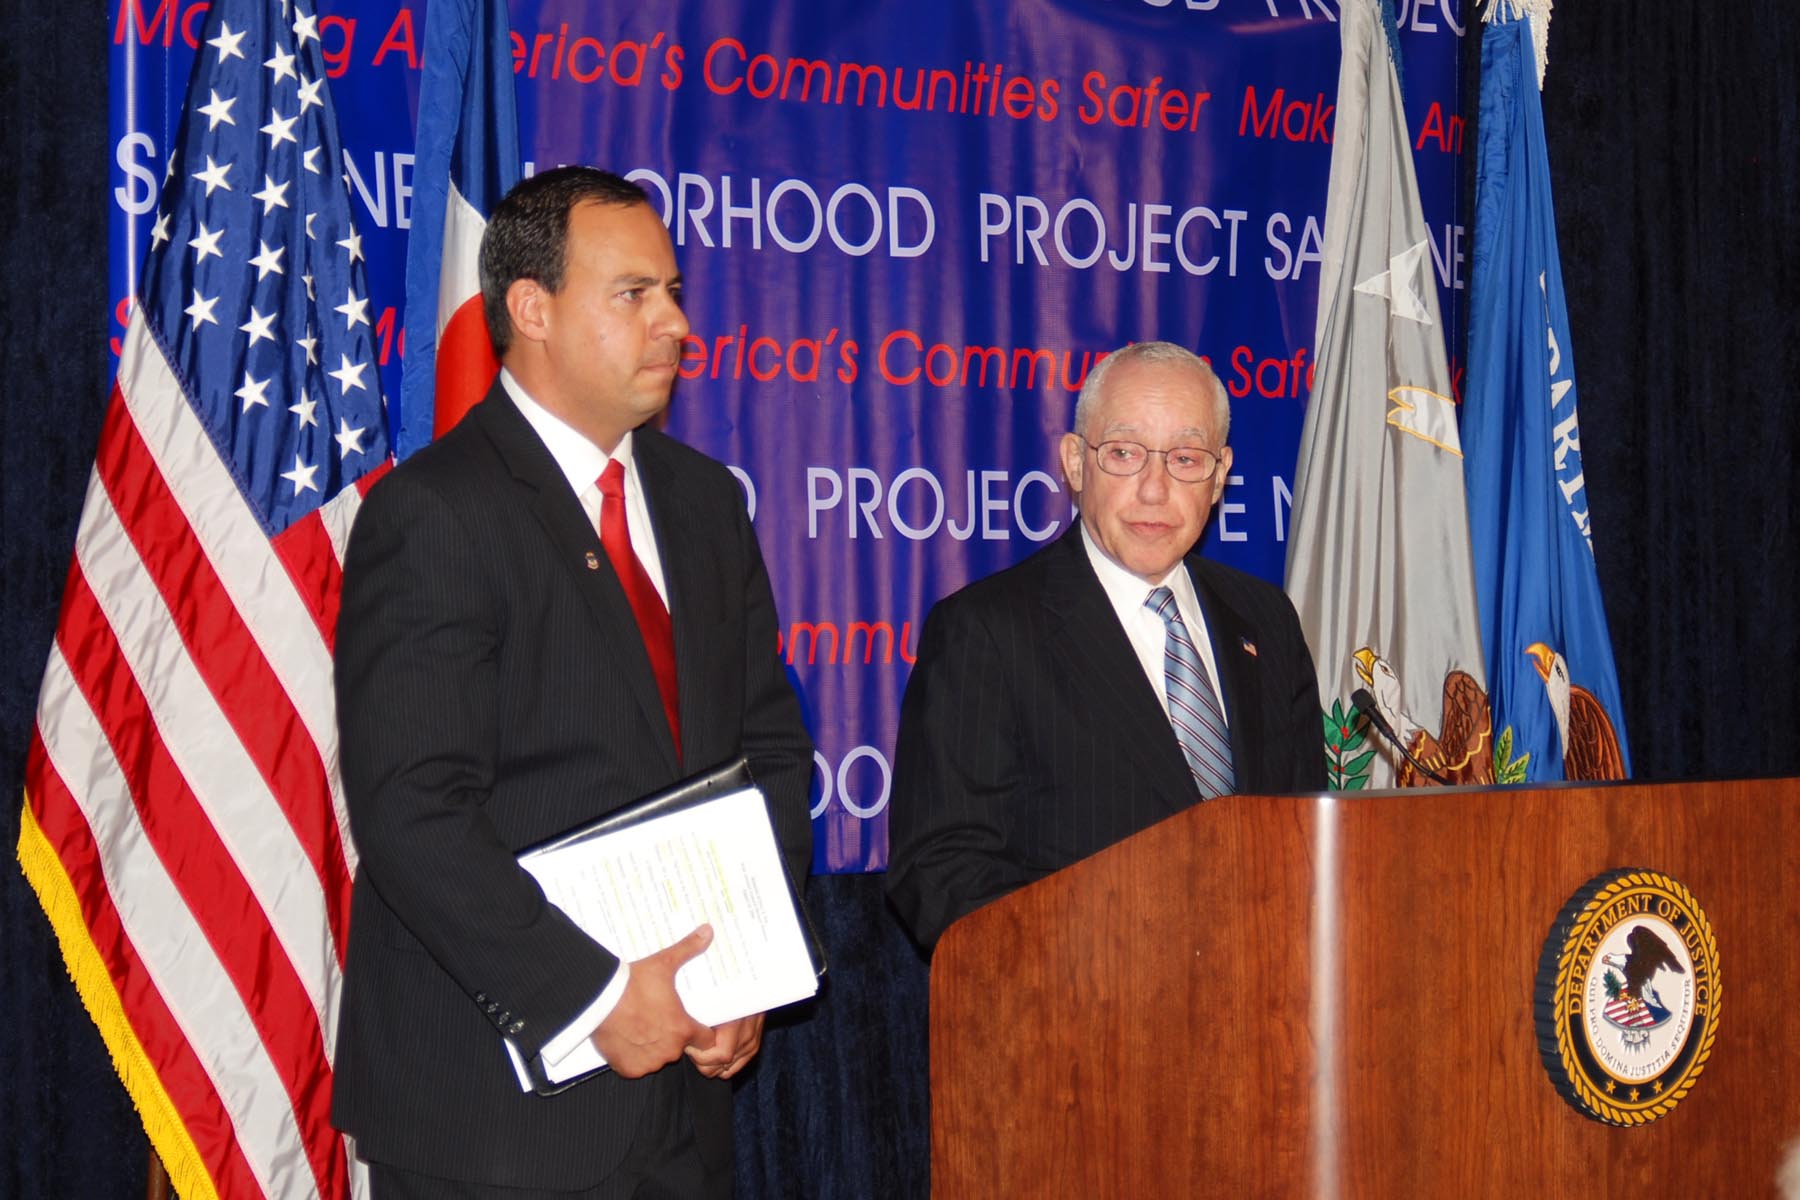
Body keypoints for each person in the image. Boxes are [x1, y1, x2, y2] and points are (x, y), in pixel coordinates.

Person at [331, 167, 814, 1198]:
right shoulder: (438, 513)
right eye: (635, 293)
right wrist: (595, 998)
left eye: (675, 291)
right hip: (495, 1123)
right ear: (531, 308)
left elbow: (766, 752)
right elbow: (413, 810)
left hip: (685, 1106)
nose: (677, 322)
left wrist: (746, 971)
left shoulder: (703, 504)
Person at [887, 340, 1325, 950]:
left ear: (1220, 475)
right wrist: (1102, 982)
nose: (1154, 488)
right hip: (1081, 1023)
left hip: (1266, 1014)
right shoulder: (986, 631)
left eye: (1186, 458)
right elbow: (943, 872)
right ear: (1073, 461)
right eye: (1123, 453)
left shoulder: (1265, 618)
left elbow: (1305, 835)